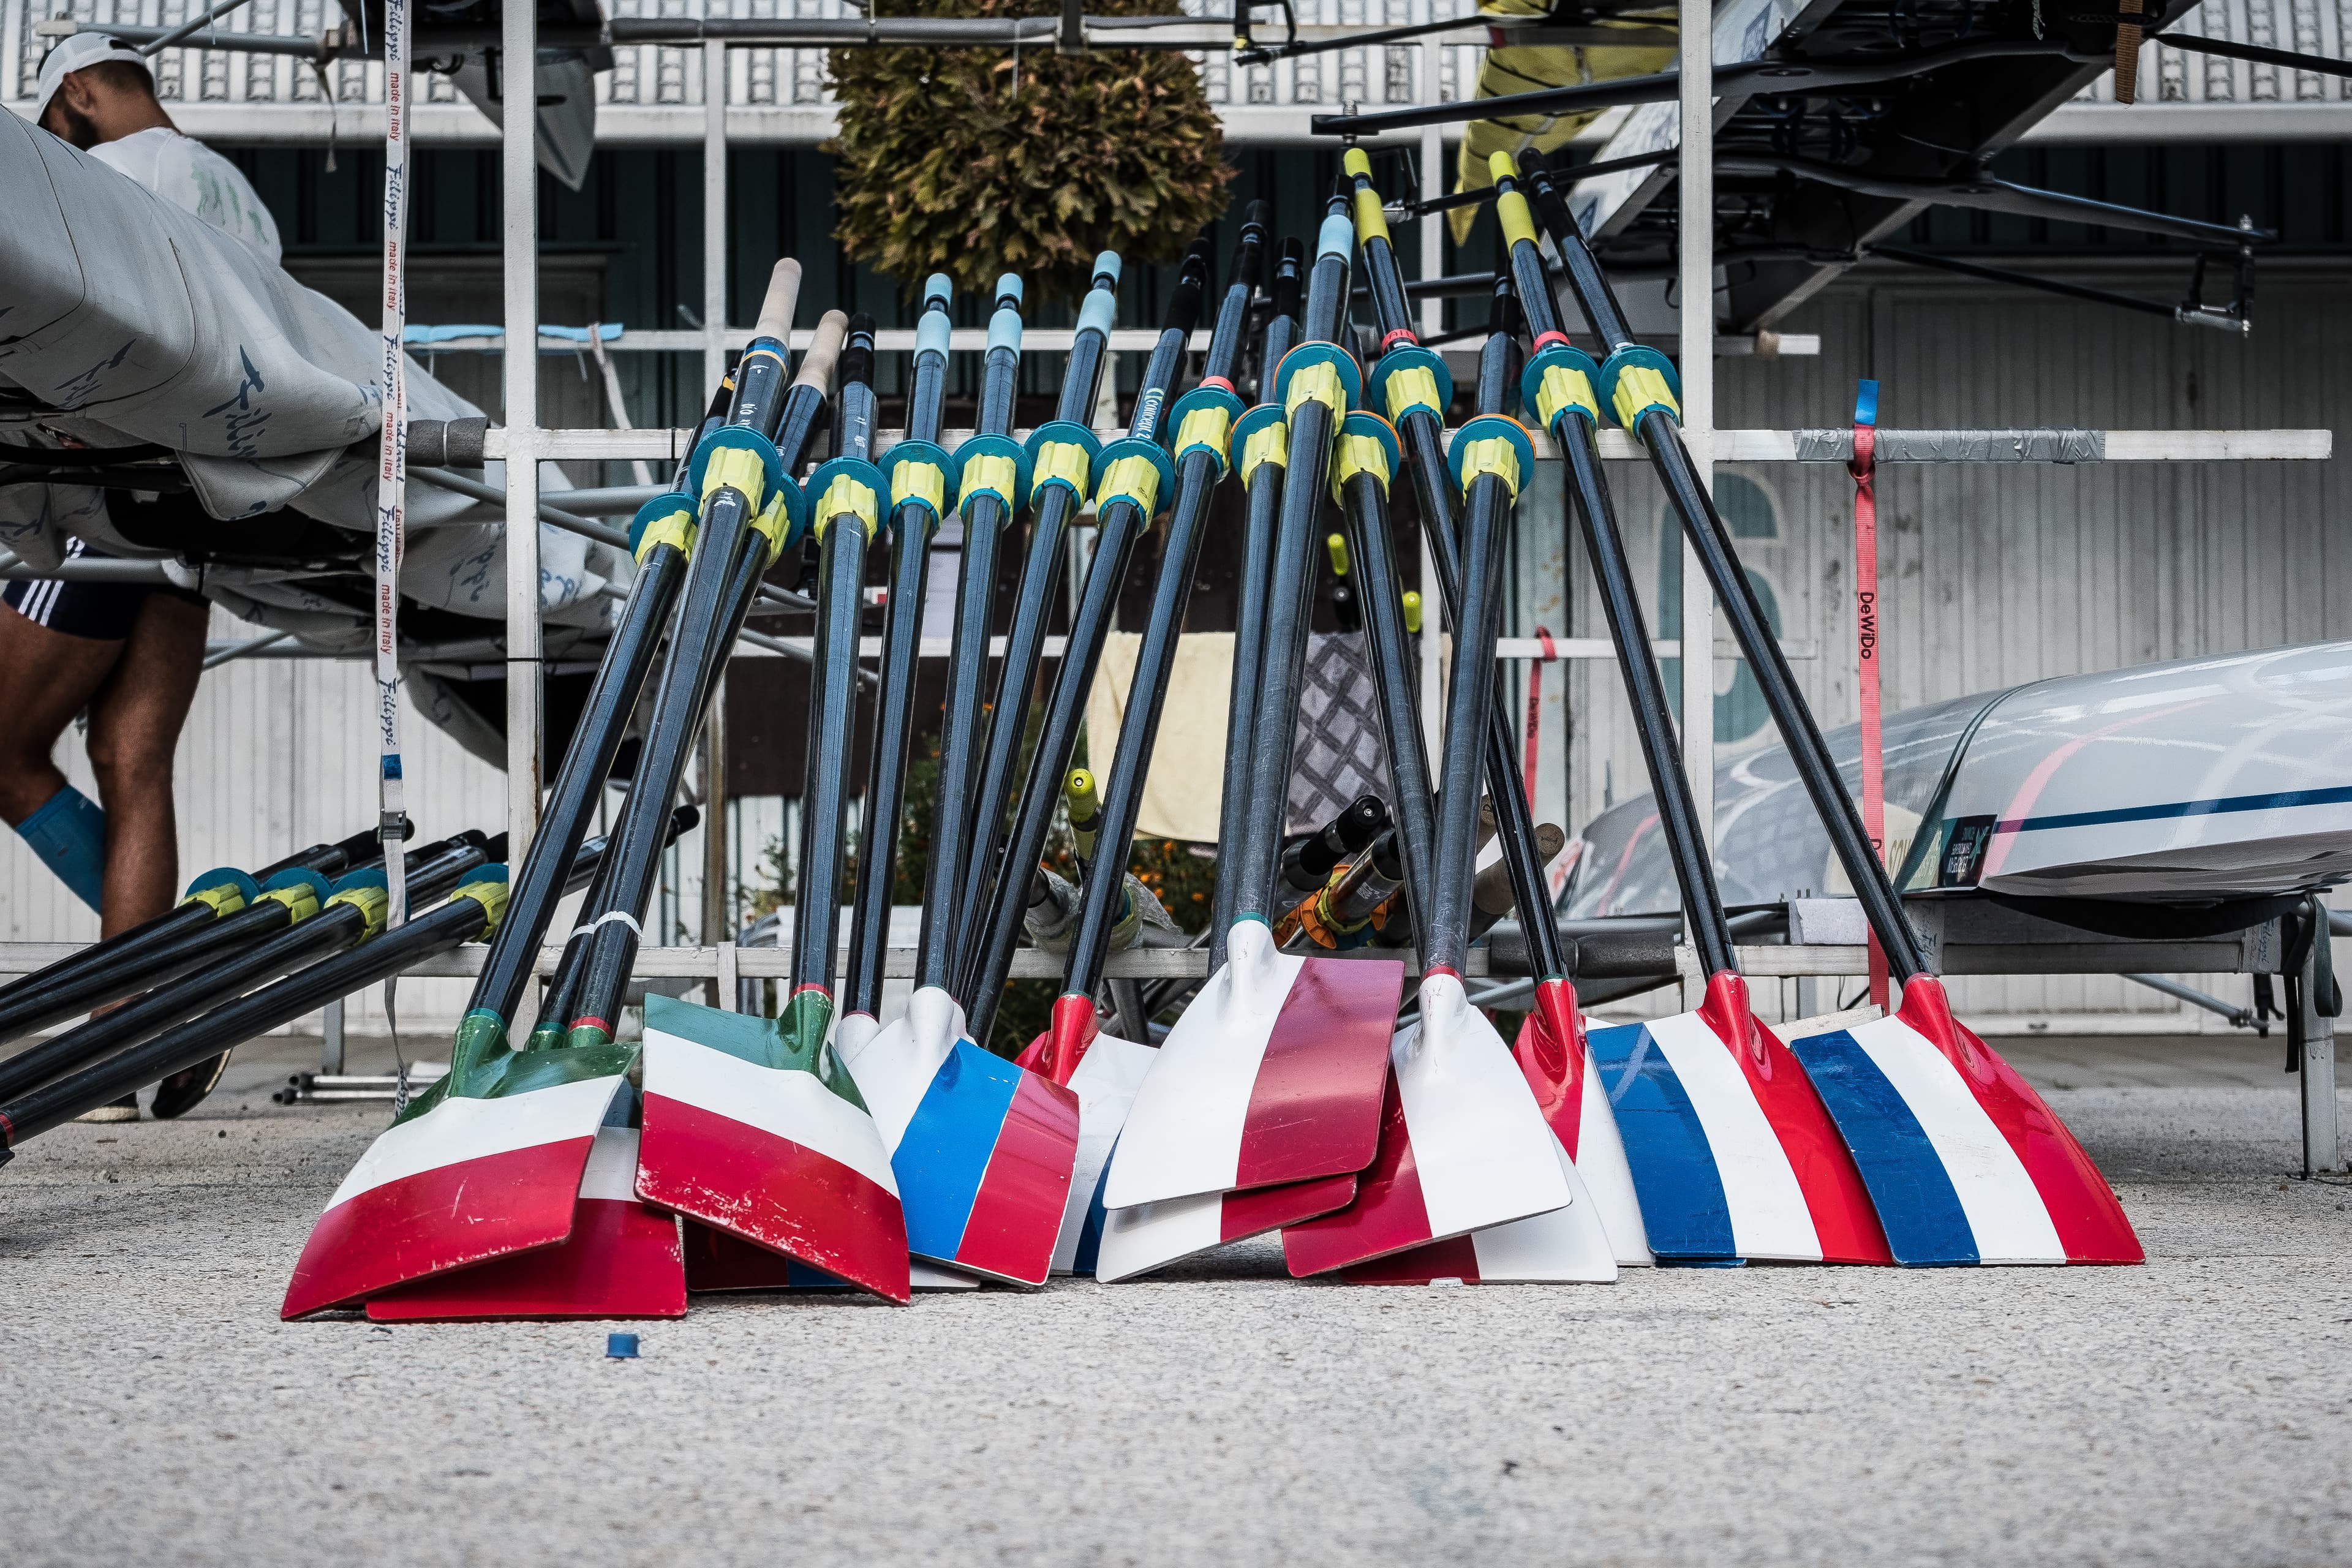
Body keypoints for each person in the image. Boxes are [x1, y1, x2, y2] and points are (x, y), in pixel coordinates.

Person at [0, 35, 283, 1121]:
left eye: (55, 122)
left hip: (104, 497)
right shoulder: (237, 190)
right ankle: (128, 1032)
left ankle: (154, 986)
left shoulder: (101, 178)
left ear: (77, 93)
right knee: (132, 760)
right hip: (201, 505)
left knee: (4, 747)